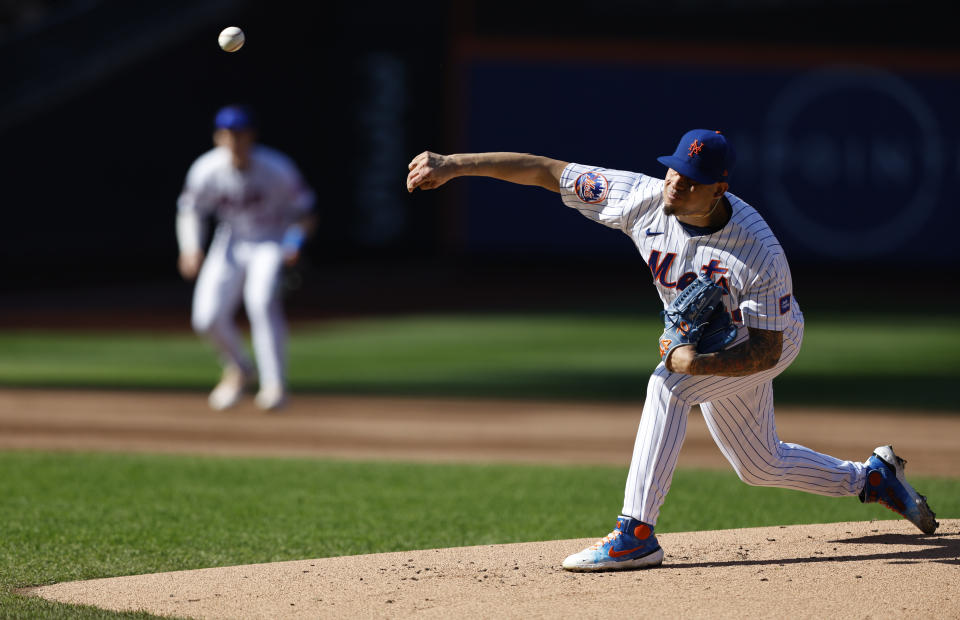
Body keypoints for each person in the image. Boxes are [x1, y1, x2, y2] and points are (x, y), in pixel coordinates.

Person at [405, 130, 938, 571]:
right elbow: (547, 170)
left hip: (764, 341)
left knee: (668, 385)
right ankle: (870, 478)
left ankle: (635, 533)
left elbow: (766, 352)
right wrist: (454, 163)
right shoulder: (640, 197)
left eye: (693, 179)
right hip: (715, 341)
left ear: (719, 189)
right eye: (674, 169)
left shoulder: (758, 252)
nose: (676, 183)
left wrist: (693, 363)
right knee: (758, 464)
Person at [176, 105, 315, 411]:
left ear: (252, 136)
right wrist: (190, 247)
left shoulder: (276, 167)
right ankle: (240, 367)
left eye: (240, 134)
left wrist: (293, 242)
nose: (234, 141)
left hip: (270, 239)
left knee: (262, 300)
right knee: (205, 318)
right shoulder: (207, 168)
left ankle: (275, 385)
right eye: (228, 134)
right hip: (230, 239)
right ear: (218, 137)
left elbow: (305, 212)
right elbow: (190, 211)